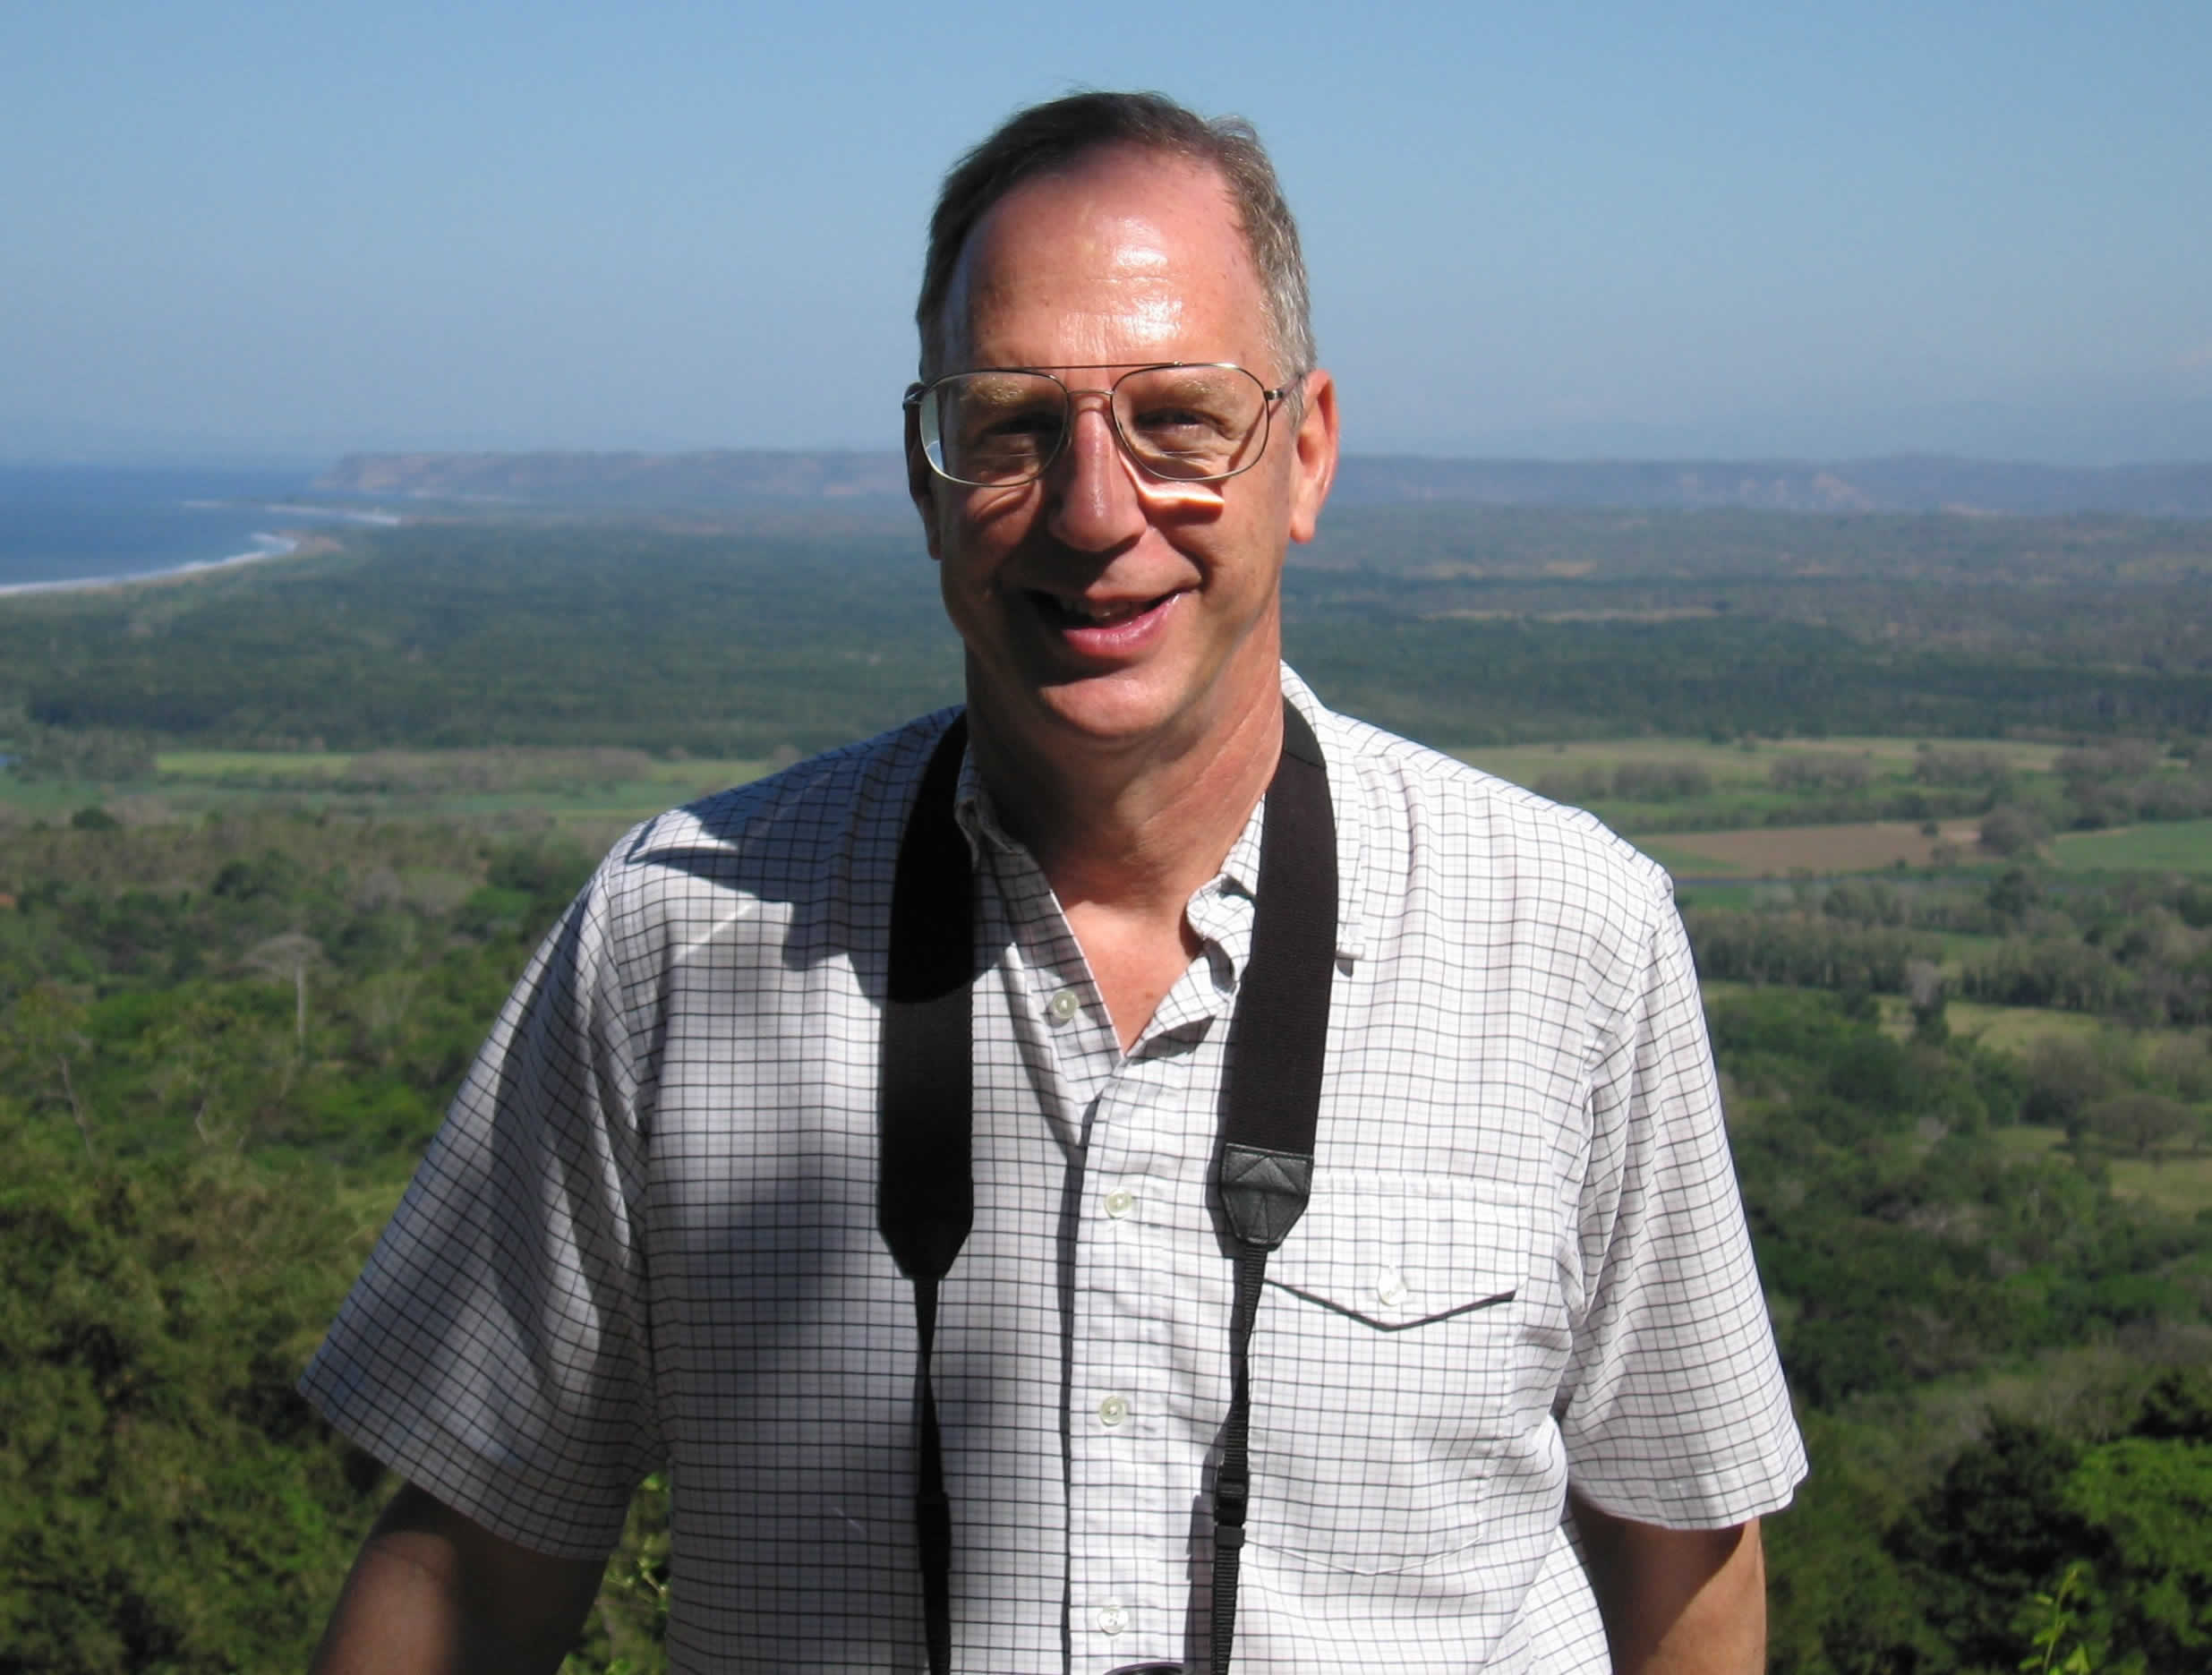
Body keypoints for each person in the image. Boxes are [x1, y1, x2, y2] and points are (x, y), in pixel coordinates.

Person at [303, 91, 1805, 1673]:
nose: (1096, 510)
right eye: (1014, 424)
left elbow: (1685, 1561)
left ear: (1305, 455)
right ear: (925, 475)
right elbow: (472, 1563)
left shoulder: (1567, 938)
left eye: (1177, 417)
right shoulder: (680, 942)